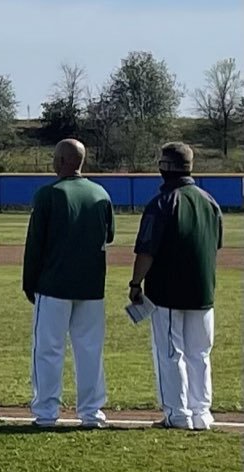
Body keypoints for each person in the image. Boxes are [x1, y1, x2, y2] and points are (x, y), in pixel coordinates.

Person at [130, 142, 222, 431]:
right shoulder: (210, 201)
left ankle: (177, 414)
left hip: (168, 293)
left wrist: (135, 284)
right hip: (203, 292)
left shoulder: (162, 203)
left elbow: (146, 250)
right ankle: (202, 413)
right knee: (200, 354)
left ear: (166, 167)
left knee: (171, 353)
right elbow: (215, 245)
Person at [24, 138, 114, 428]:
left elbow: (35, 244)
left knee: (48, 349)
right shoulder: (100, 193)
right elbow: (108, 236)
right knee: (89, 350)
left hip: (54, 285)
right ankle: (92, 413)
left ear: (62, 161)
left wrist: (29, 283)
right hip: (91, 287)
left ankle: (47, 413)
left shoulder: (48, 194)